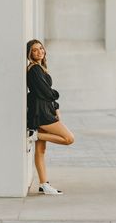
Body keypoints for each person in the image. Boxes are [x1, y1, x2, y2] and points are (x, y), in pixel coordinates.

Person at [26, 39, 74, 195]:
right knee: (69, 138)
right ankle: (34, 134)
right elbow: (46, 93)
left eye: (41, 48)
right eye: (35, 50)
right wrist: (56, 95)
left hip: (44, 110)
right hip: (43, 113)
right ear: (29, 54)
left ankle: (44, 184)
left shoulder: (40, 68)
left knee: (41, 150)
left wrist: (56, 107)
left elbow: (44, 93)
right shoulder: (34, 70)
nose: (39, 51)